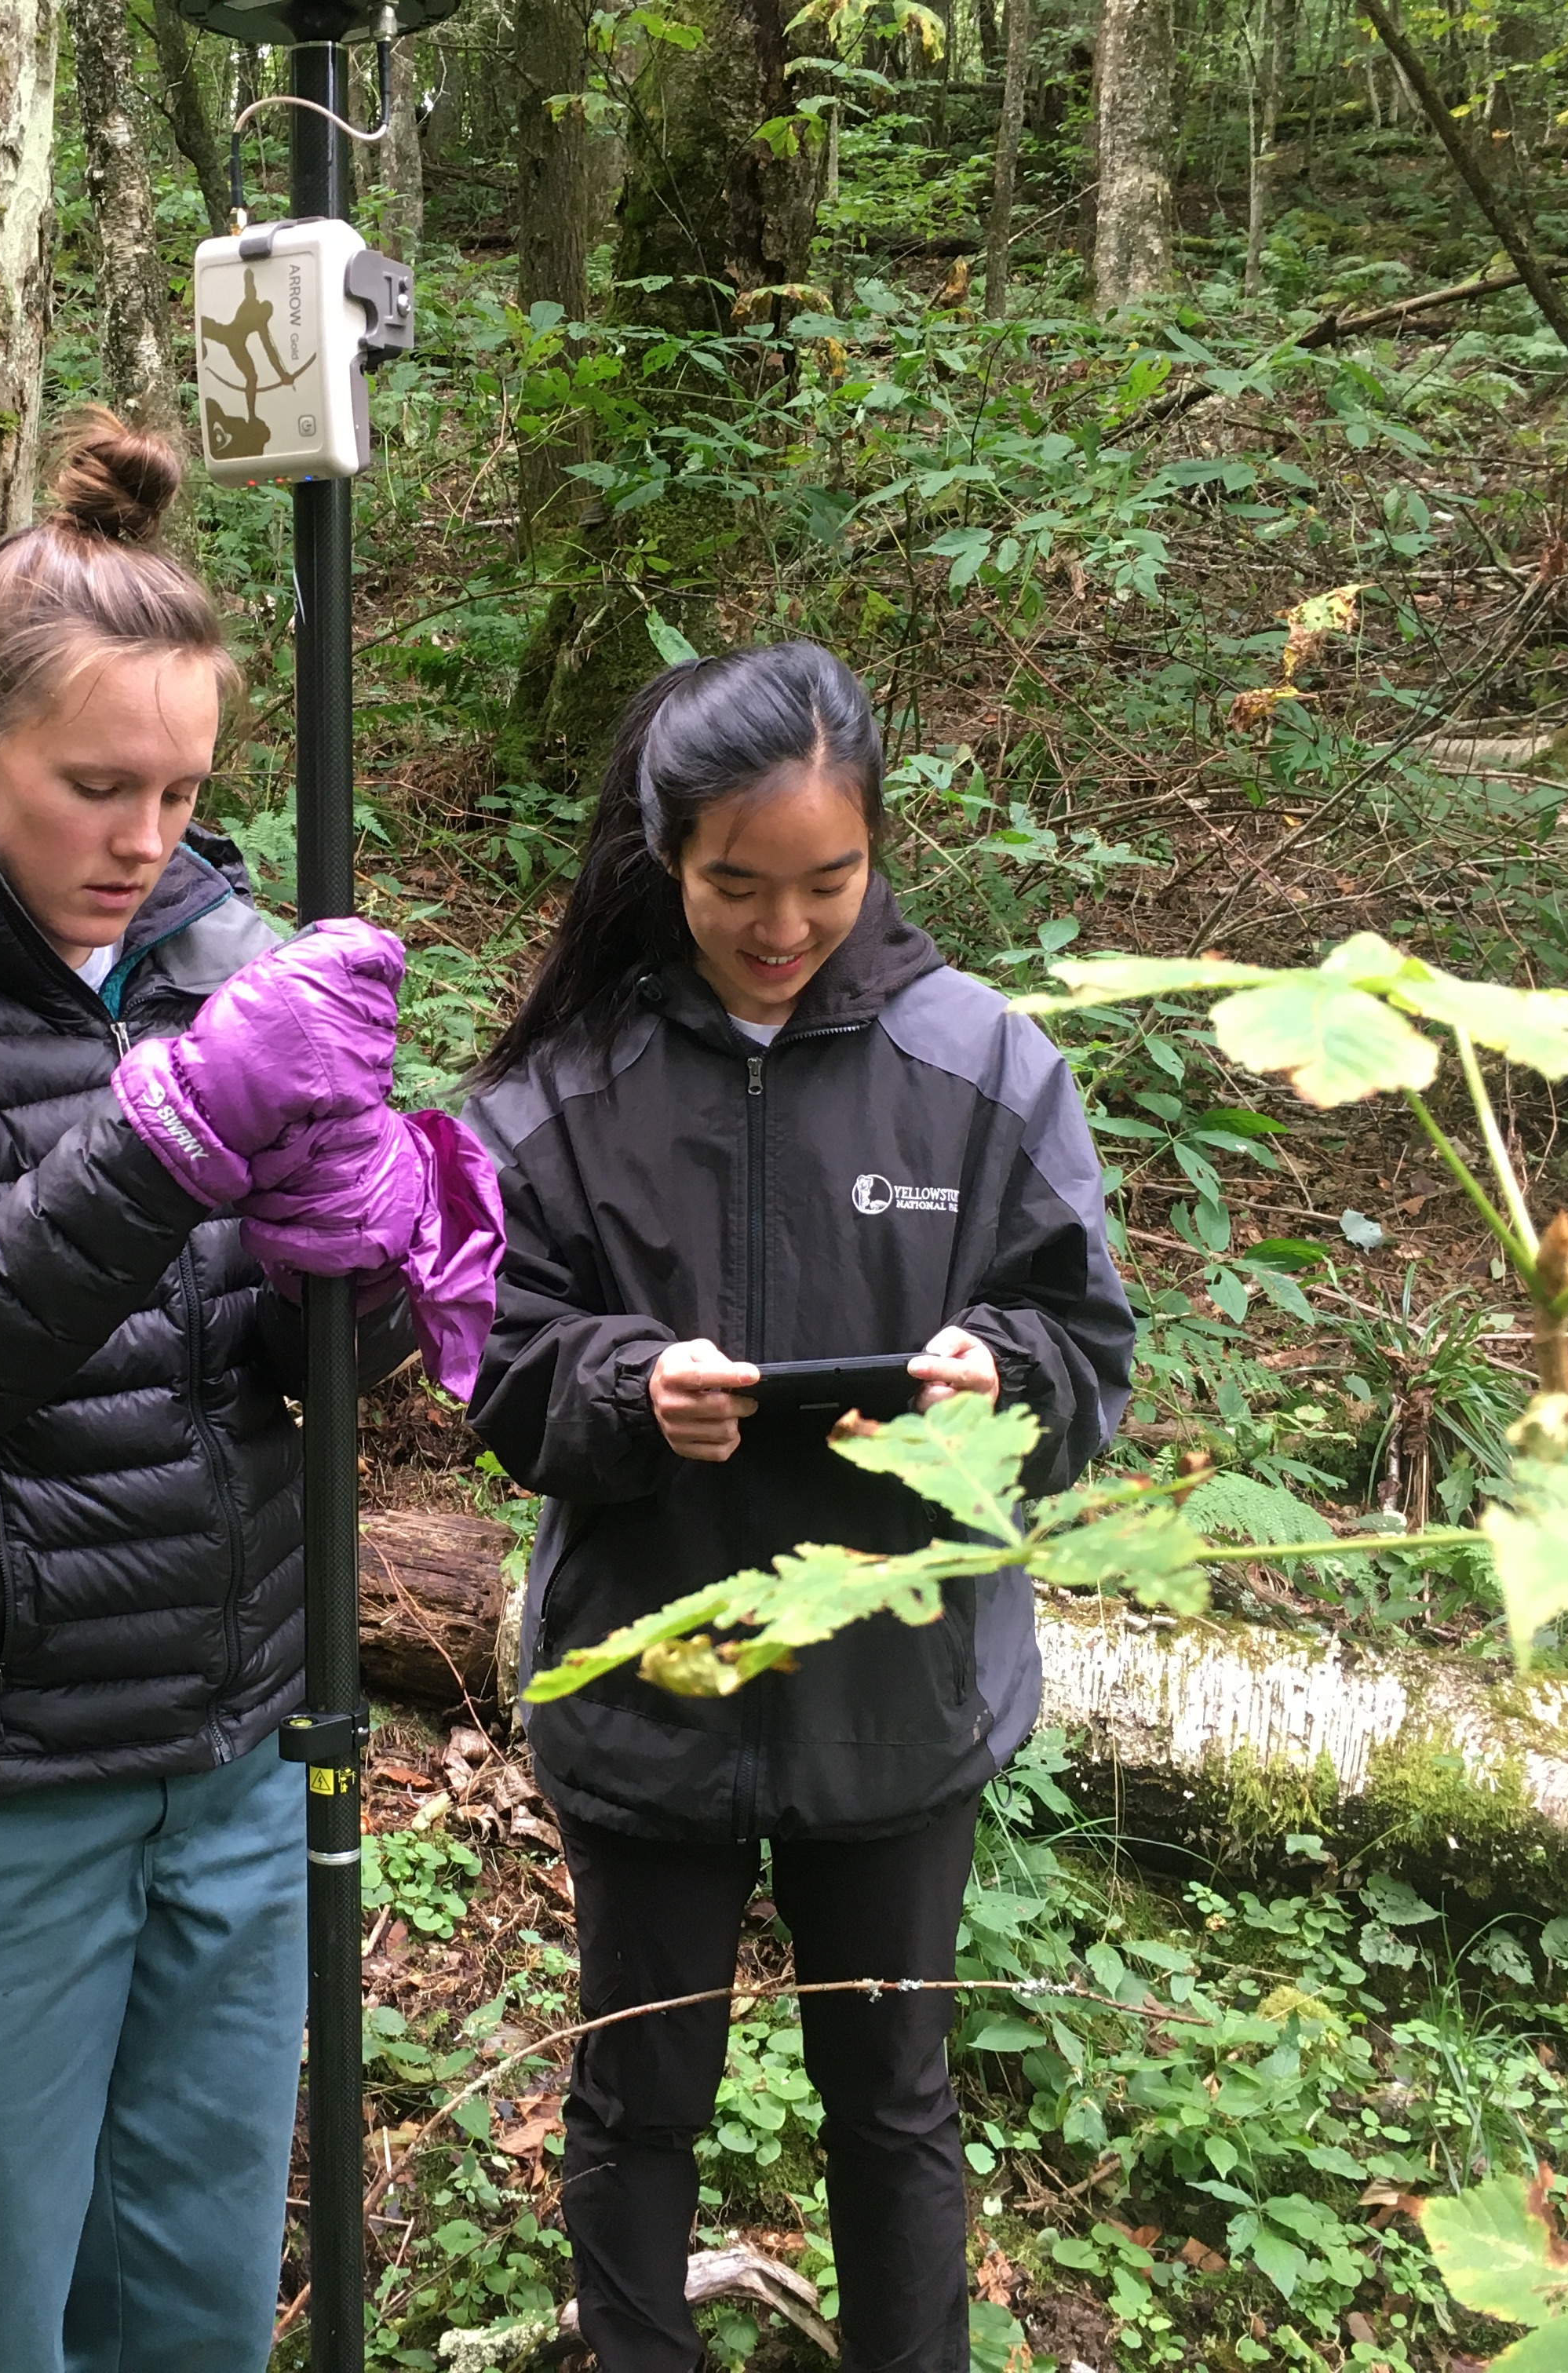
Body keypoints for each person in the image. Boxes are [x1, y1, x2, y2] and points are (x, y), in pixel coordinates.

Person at [0, 410, 497, 2373]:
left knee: (197, 2306)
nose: (146, 844)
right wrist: (172, 1138)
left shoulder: (227, 950)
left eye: (186, 791)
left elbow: (281, 1386)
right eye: (95, 788)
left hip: (228, 1752)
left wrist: (378, 1246)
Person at [461, 641, 1132, 2373]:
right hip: (651, 1674)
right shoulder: (564, 1087)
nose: (781, 926)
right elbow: (496, 1356)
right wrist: (623, 1388)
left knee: (890, 2097)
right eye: (733, 886)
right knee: (641, 2089)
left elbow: (1086, 1348)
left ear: (878, 850)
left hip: (894, 1690)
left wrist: (1005, 1382)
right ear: (661, 859)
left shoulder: (983, 1067)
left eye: (826, 883)